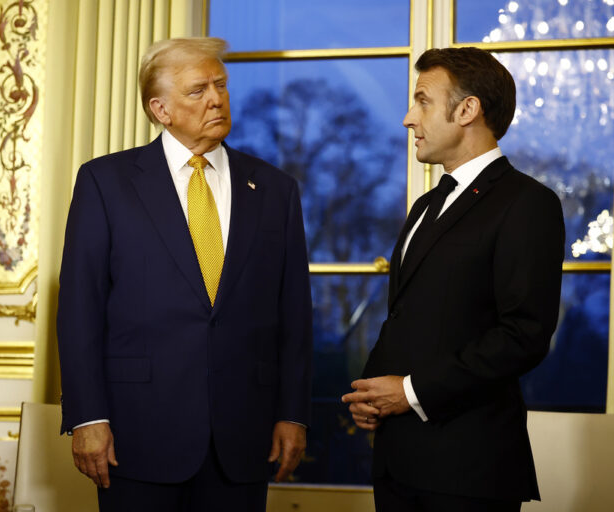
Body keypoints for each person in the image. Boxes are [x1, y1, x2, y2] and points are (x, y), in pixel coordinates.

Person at [57, 37, 312, 511]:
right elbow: (80, 309)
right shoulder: (105, 182)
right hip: (136, 436)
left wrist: (293, 414)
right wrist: (87, 416)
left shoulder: (275, 189)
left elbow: (294, 313)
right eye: (198, 91)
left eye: (221, 85)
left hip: (243, 437)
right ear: (161, 109)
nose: (216, 98)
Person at [342, 47, 565, 511]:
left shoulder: (528, 203)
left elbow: (524, 335)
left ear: (467, 110)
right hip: (398, 461)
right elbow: (408, 315)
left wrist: (408, 391)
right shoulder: (425, 206)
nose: (407, 117)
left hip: (469, 470)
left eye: (422, 100)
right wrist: (372, 392)